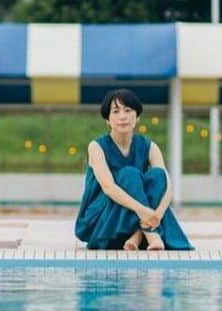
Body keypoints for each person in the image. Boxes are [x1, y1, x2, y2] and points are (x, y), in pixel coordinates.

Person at [75, 88, 193, 251]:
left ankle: (138, 235)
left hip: (139, 217)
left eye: (128, 110)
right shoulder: (96, 147)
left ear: (137, 117)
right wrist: (143, 211)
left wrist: (157, 214)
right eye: (115, 111)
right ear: (107, 120)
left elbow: (167, 184)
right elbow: (109, 188)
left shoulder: (150, 146)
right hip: (103, 219)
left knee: (158, 175)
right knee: (129, 174)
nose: (122, 116)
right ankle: (152, 234)